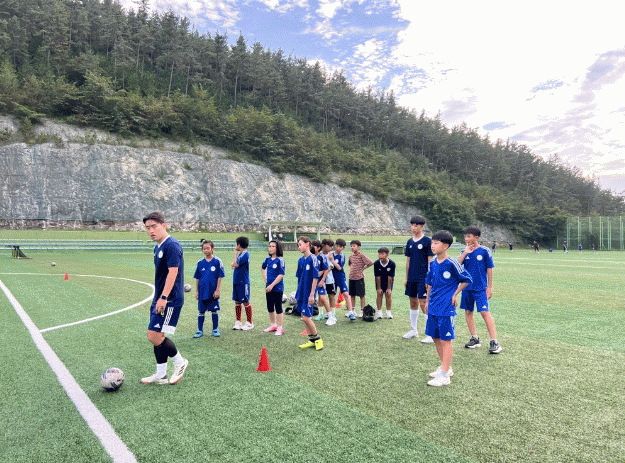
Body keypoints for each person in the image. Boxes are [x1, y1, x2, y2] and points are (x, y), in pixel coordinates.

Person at [140, 212, 189, 385]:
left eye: (154, 226)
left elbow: (173, 272)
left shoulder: (172, 245)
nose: (151, 231)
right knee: (156, 335)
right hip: (160, 297)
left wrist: (163, 297)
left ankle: (180, 362)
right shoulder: (158, 247)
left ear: (164, 225)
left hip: (170, 299)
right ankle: (161, 375)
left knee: (154, 335)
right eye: (147, 228)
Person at [424, 230, 472, 387]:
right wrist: (427, 301)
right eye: (432, 243)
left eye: (436, 243)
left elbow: (467, 279)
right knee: (435, 337)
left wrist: (455, 294)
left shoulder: (452, 263)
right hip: (433, 306)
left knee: (446, 340)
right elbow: (429, 283)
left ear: (445, 246)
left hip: (446, 308)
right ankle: (446, 368)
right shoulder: (432, 263)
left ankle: (444, 375)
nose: (432, 246)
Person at [457, 226, 502, 354]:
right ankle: (474, 338)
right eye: (465, 236)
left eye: (469, 236)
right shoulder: (464, 251)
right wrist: (465, 252)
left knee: (484, 313)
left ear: (476, 238)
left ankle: (494, 342)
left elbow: (489, 269)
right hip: (466, 288)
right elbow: (457, 266)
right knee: (468, 312)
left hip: (480, 288)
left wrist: (489, 287)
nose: (466, 239)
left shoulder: (484, 251)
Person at [403, 215, 434, 342]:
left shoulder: (427, 241)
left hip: (423, 277)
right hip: (412, 277)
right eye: (412, 225)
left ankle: (430, 334)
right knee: (413, 302)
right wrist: (406, 277)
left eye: (416, 225)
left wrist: (429, 279)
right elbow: (408, 261)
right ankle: (414, 330)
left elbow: (430, 261)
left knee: (423, 303)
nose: (413, 228)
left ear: (422, 226)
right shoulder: (410, 242)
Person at [295, 236, 323, 350]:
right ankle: (311, 340)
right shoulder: (300, 260)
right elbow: (299, 278)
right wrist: (298, 293)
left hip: (308, 293)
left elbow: (315, 278)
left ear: (307, 244)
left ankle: (318, 339)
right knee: (303, 317)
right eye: (298, 245)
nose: (299, 247)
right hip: (301, 292)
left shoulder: (313, 259)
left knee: (307, 318)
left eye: (300, 244)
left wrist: (312, 295)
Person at [193, 240, 225, 338]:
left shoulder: (217, 261)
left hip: (213, 291)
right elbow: (197, 278)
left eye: (208, 248)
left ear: (212, 249)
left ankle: (215, 329)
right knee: (201, 311)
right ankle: (199, 330)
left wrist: (217, 290)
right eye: (204, 249)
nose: (206, 250)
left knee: (214, 310)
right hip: (202, 291)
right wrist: (196, 291)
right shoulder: (200, 262)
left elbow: (220, 277)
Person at [261, 240, 286, 336]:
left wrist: (272, 285)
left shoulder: (280, 260)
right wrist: (265, 278)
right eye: (269, 246)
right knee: (270, 307)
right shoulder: (267, 259)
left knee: (278, 307)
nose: (270, 248)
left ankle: (280, 327)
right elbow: (262, 268)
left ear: (277, 248)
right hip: (268, 288)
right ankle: (273, 325)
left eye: (273, 246)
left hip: (277, 288)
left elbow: (281, 274)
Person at [231, 236, 253, 330]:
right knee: (237, 301)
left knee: (245, 301)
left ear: (239, 245)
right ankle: (238, 322)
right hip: (236, 280)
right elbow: (235, 264)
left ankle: (249, 323)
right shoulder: (241, 254)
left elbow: (236, 264)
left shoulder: (245, 254)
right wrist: (234, 262)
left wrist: (235, 254)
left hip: (243, 282)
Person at [311, 240, 336, 325]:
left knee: (324, 297)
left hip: (323, 281)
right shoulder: (312, 256)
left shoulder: (324, 256)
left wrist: (322, 280)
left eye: (313, 246)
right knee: (316, 297)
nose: (311, 248)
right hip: (314, 281)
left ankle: (331, 316)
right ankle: (318, 314)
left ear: (318, 247)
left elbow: (326, 269)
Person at [348, 239, 374, 317]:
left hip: (359, 278)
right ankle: (353, 310)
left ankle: (362, 310)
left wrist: (363, 268)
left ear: (358, 247)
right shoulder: (351, 256)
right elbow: (350, 264)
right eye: (351, 246)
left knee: (361, 295)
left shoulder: (361, 255)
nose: (352, 247)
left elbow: (370, 262)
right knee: (352, 295)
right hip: (351, 278)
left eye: (354, 246)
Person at [332, 238, 355, 319]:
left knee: (345, 293)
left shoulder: (342, 256)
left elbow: (339, 268)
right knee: (332, 295)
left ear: (343, 248)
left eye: (340, 247)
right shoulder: (330, 254)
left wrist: (332, 260)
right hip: (331, 277)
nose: (338, 248)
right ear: (335, 245)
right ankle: (332, 313)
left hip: (340, 277)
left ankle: (351, 312)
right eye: (337, 246)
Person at [374, 247, 396, 319]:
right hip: (379, 281)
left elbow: (390, 277)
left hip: (388, 282)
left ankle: (388, 312)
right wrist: (379, 288)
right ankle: (379, 312)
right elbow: (377, 276)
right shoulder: (376, 263)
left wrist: (389, 288)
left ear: (387, 255)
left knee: (388, 295)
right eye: (379, 254)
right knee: (379, 294)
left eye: (382, 254)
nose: (380, 255)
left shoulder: (392, 263)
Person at [321, 238, 337, 325]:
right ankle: (321, 313)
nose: (330, 248)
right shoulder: (319, 255)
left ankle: (333, 313)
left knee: (331, 296)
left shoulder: (330, 255)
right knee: (321, 296)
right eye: (329, 246)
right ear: (323, 245)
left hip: (329, 280)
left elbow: (330, 267)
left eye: (331, 246)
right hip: (321, 280)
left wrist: (323, 276)